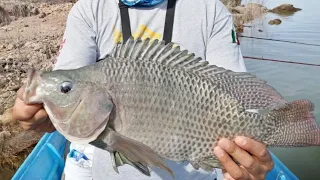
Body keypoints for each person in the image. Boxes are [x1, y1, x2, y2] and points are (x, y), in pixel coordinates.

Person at [12, 0, 274, 179]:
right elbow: (67, 105)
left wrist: (247, 163)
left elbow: (238, 96)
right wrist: (37, 120)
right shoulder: (90, 8)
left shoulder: (209, 10)